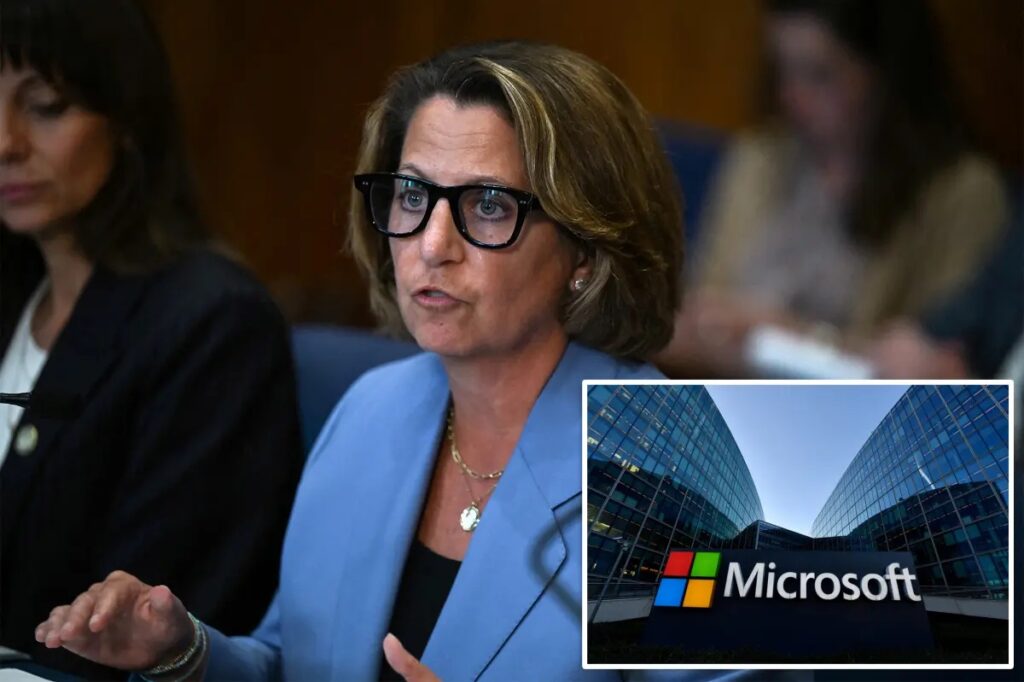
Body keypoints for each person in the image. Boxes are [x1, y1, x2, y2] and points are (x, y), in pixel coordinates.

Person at [32, 41, 684, 681]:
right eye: (412, 196)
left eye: (488, 205)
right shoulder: (371, 410)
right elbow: (295, 662)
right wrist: (182, 653)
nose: (432, 244)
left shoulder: (676, 464)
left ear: (586, 249)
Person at [0, 0, 302, 676]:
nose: (5, 142)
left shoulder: (212, 324)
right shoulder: (17, 288)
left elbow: (149, 626)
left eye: (44, 106)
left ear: (127, 117)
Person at [655, 0, 1009, 379]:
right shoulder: (760, 157)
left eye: (820, 74)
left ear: (886, 75)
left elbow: (930, 359)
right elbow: (701, 306)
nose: (792, 95)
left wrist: (784, 334)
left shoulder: (963, 193)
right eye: (783, 70)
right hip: (721, 387)